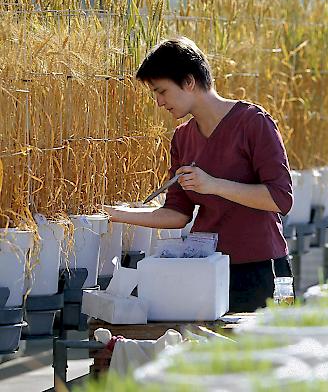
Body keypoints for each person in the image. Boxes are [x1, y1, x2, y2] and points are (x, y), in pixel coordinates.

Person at [104, 36, 293, 313]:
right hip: (204, 271)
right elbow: (177, 213)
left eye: (162, 91)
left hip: (259, 271)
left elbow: (281, 199)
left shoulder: (253, 123)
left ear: (189, 82)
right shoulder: (182, 138)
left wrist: (213, 185)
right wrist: (117, 214)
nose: (158, 102)